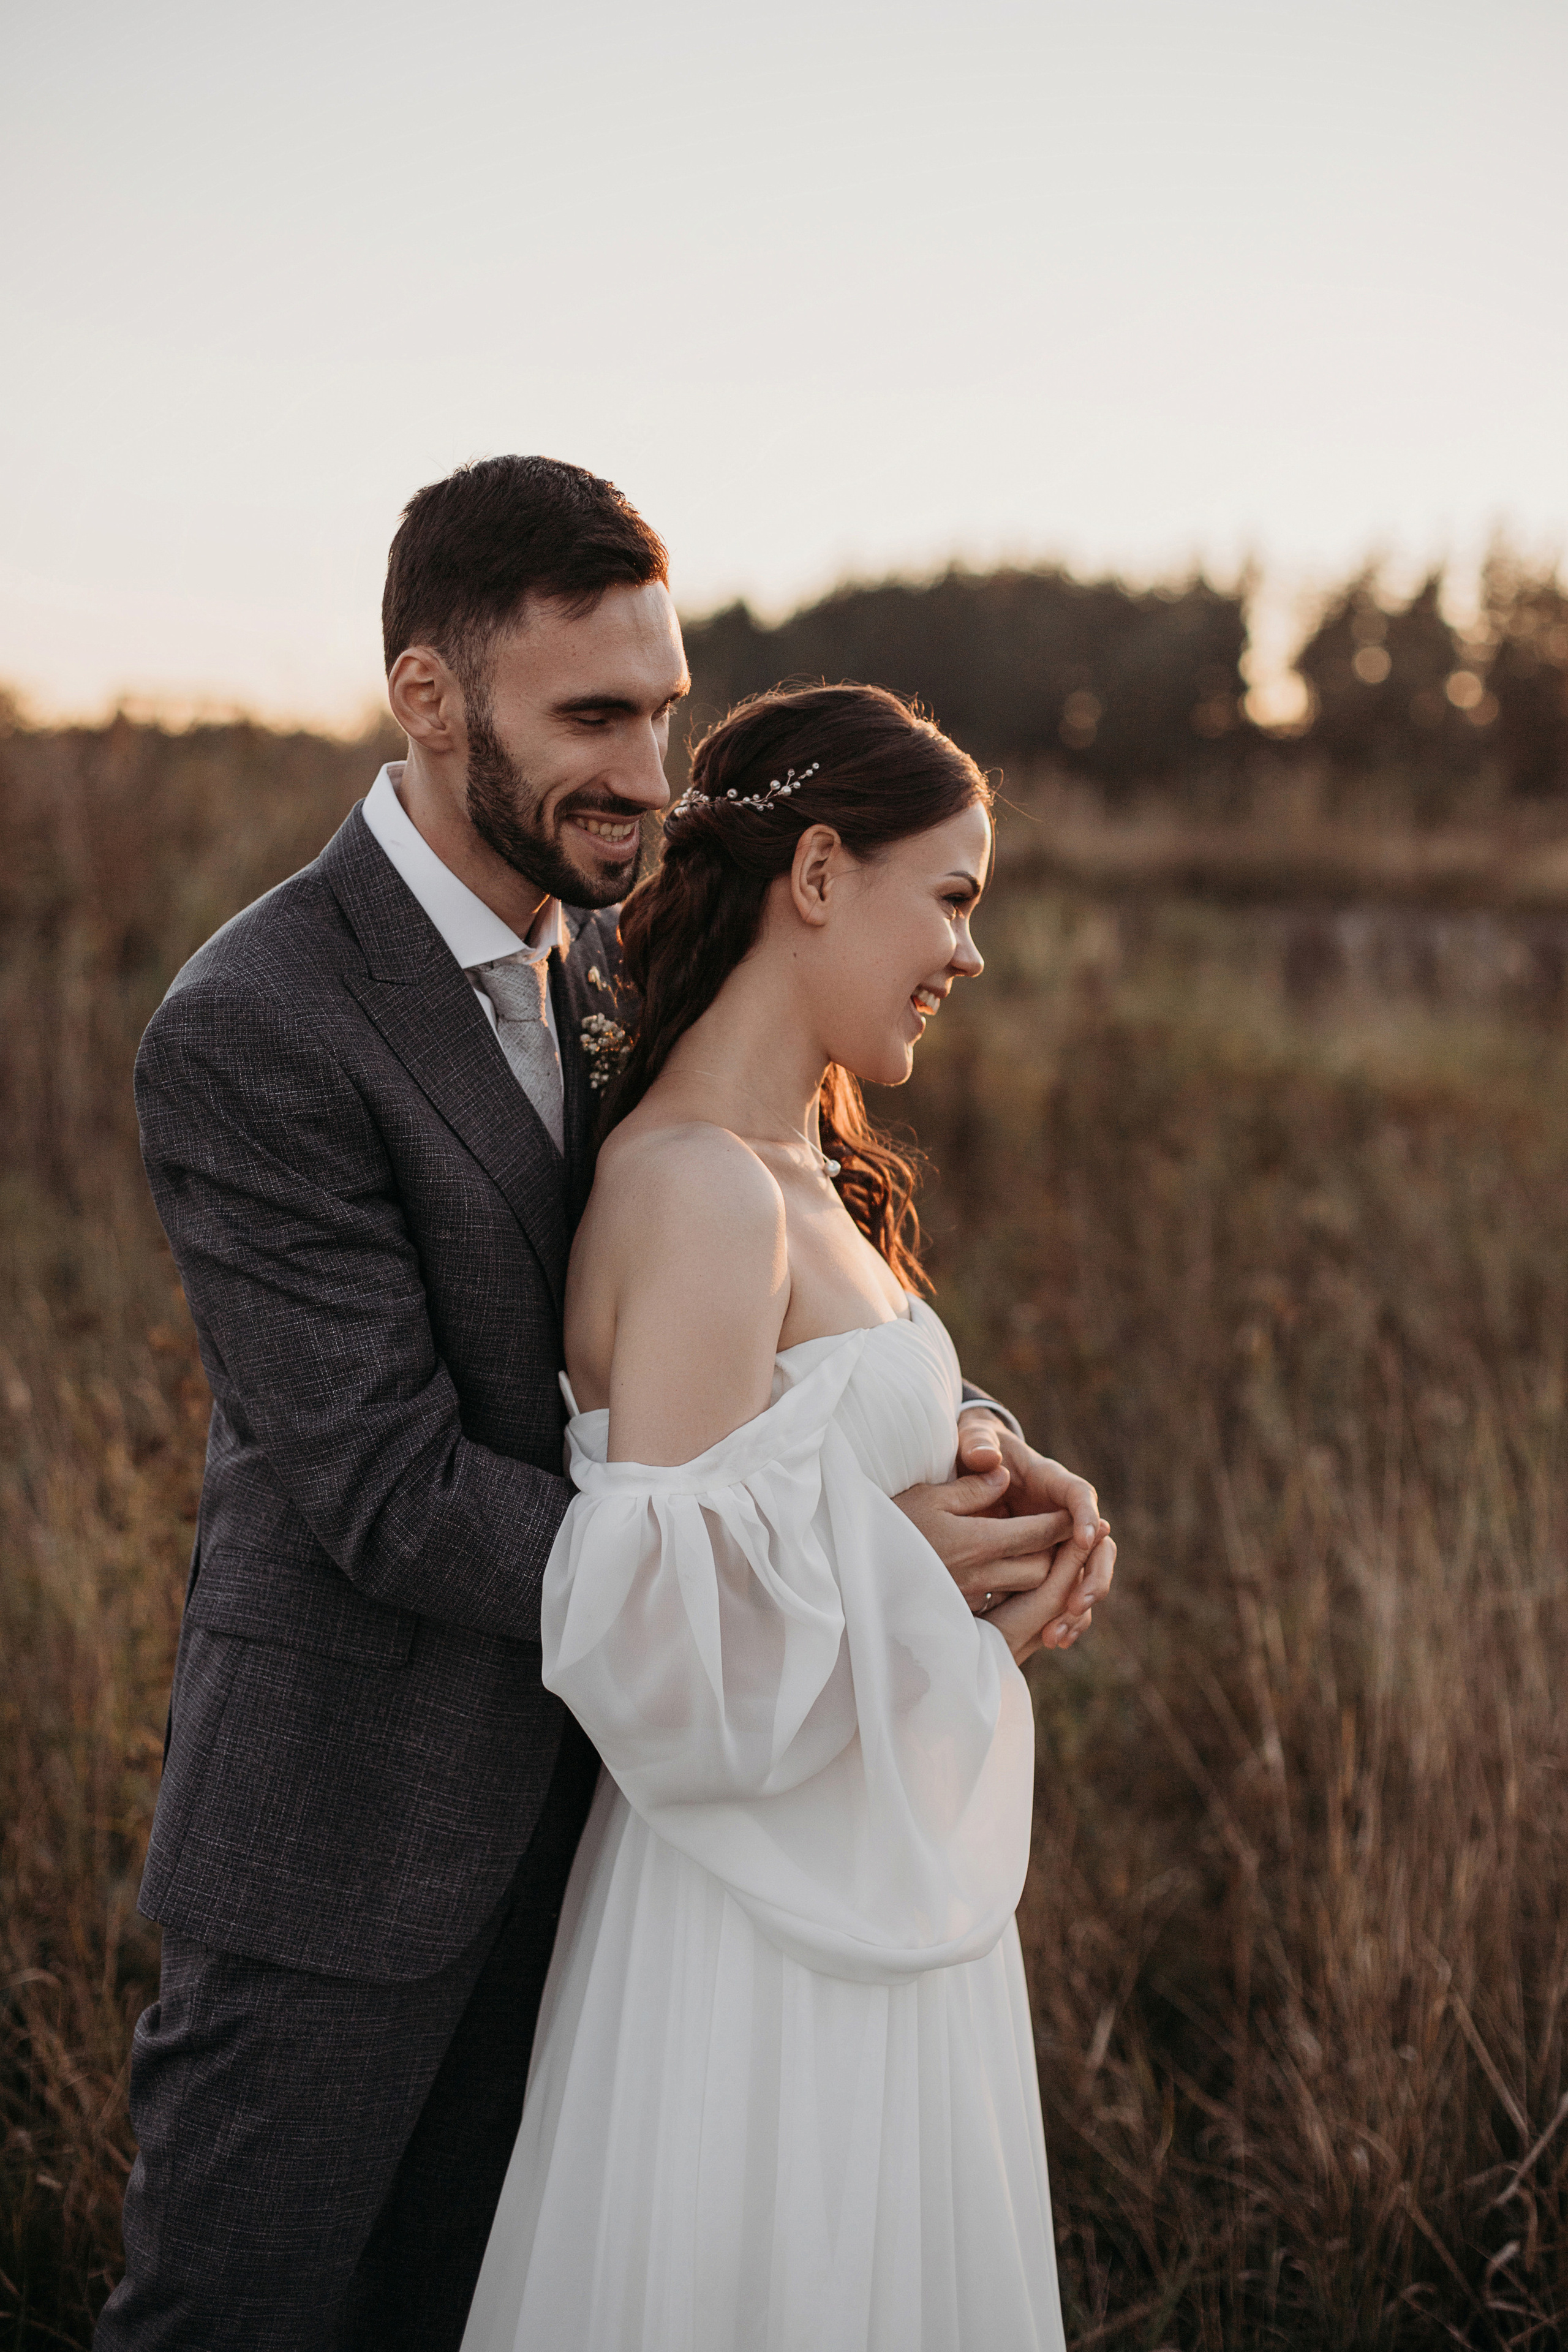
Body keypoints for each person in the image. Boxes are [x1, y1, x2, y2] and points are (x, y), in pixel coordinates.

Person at [97, 456, 1110, 2352]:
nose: (650, 769)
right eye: (591, 717)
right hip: (351, 1843)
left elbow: (742, 1325)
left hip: (614, 1836)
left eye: (661, 706)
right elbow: (389, 1488)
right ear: (426, 699)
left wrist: (956, 1437)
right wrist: (833, 1569)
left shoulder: (609, 977)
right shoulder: (257, 1025)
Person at [459, 683, 1115, 2351]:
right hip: (757, 1942)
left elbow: (819, 1440)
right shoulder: (690, 1192)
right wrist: (907, 1562)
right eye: (951, 896)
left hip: (872, 1891)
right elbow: (656, 1645)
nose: (967, 954)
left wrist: (1002, 1467)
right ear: (818, 874)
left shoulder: (808, 1166)